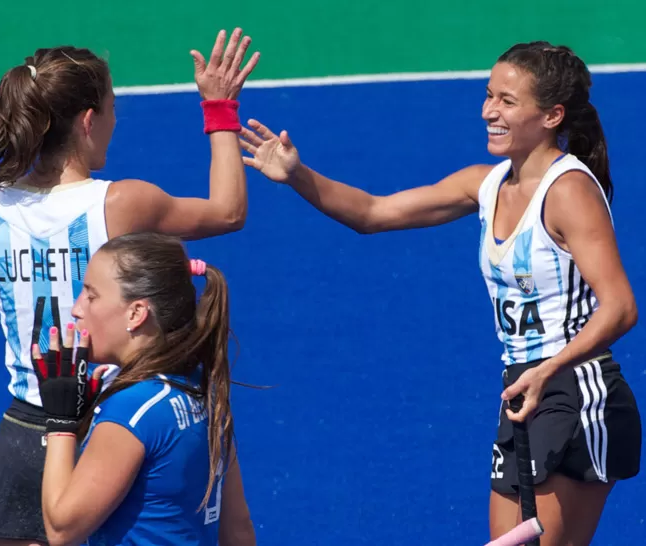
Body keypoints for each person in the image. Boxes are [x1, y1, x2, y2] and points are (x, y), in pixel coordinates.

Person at [238, 41, 641, 545]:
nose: (488, 111)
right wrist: (296, 174)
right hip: (524, 389)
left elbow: (621, 306)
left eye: (507, 101)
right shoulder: (485, 184)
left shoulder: (568, 192)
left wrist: (547, 370)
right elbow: (373, 213)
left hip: (577, 393)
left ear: (552, 115)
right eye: (489, 95)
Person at [0, 27, 259, 545]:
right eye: (110, 110)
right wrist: (218, 106)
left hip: (28, 430)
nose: (114, 123)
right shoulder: (121, 203)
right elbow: (229, 211)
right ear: (88, 121)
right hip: (109, 428)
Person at [29, 232, 256, 546]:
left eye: (91, 295)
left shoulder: (132, 411)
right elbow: (239, 530)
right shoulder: (202, 390)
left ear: (136, 313)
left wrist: (61, 422)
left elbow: (62, 529)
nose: (77, 308)